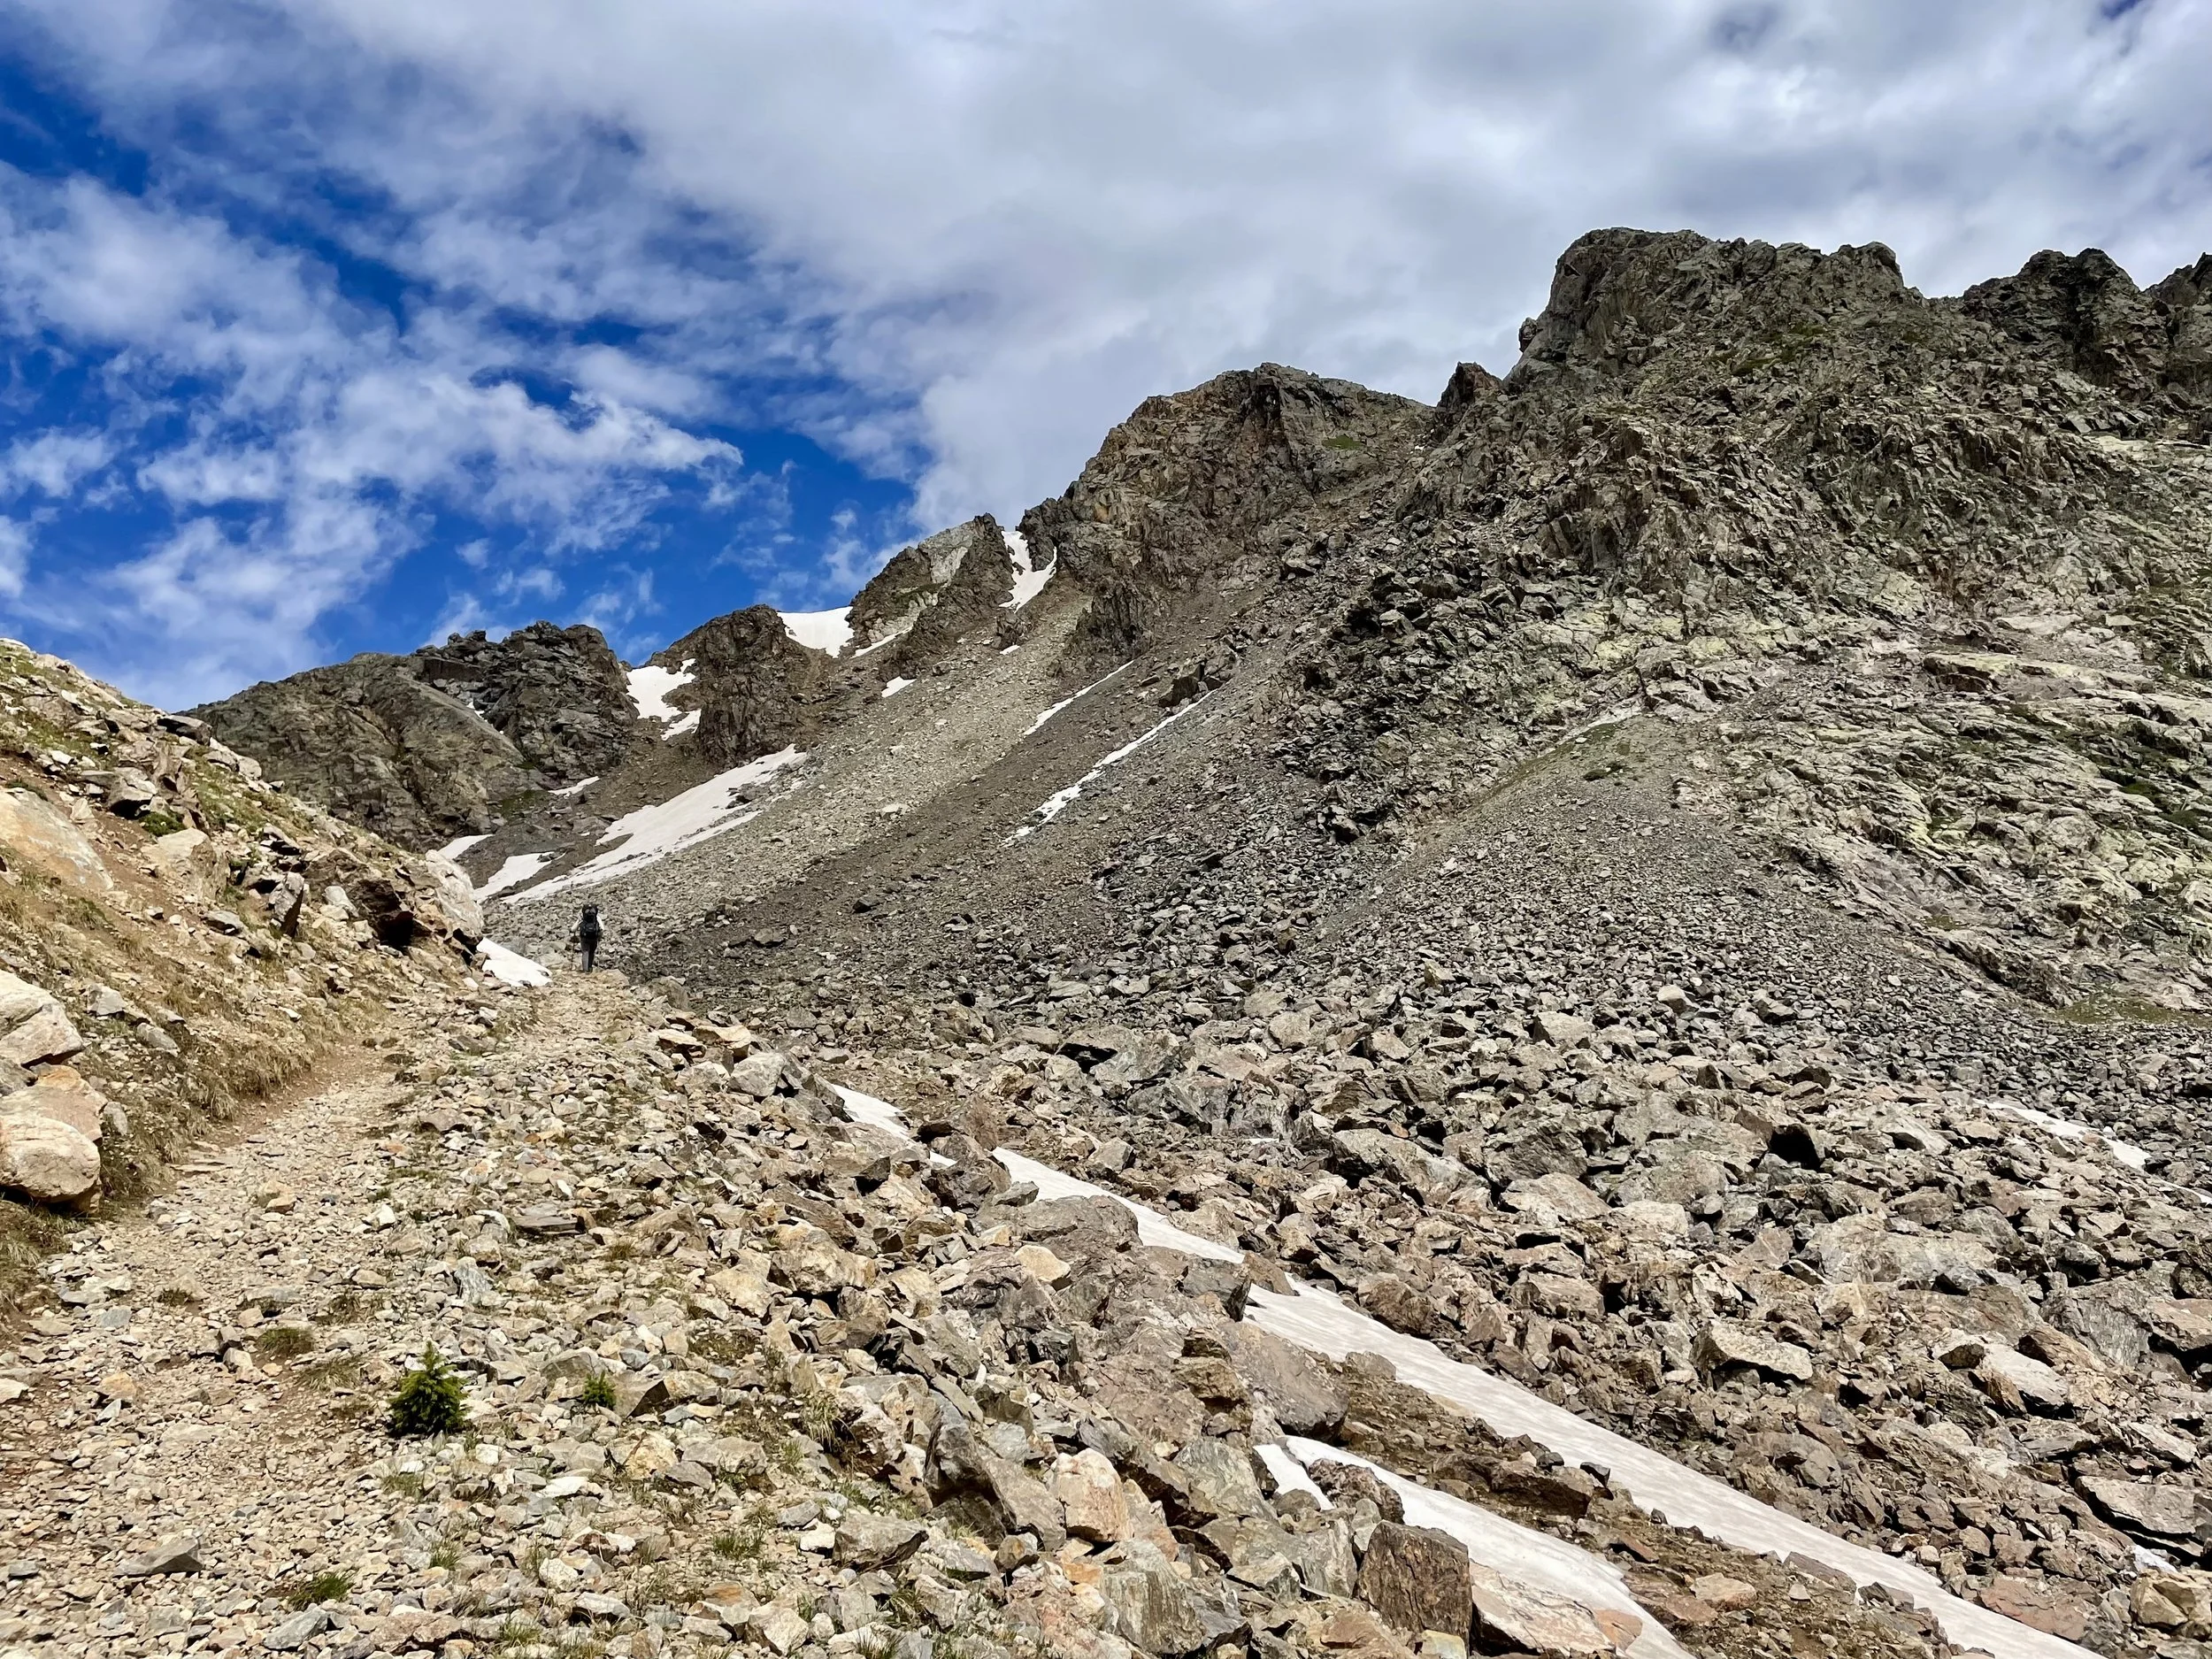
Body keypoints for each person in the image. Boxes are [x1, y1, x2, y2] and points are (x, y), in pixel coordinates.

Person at [574, 905, 603, 972]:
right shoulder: (597, 918)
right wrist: (600, 936)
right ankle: (590, 968)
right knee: (592, 952)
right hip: (594, 938)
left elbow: (573, 929)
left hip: (584, 938)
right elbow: (603, 928)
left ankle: (585, 970)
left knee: (585, 952)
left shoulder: (582, 918)